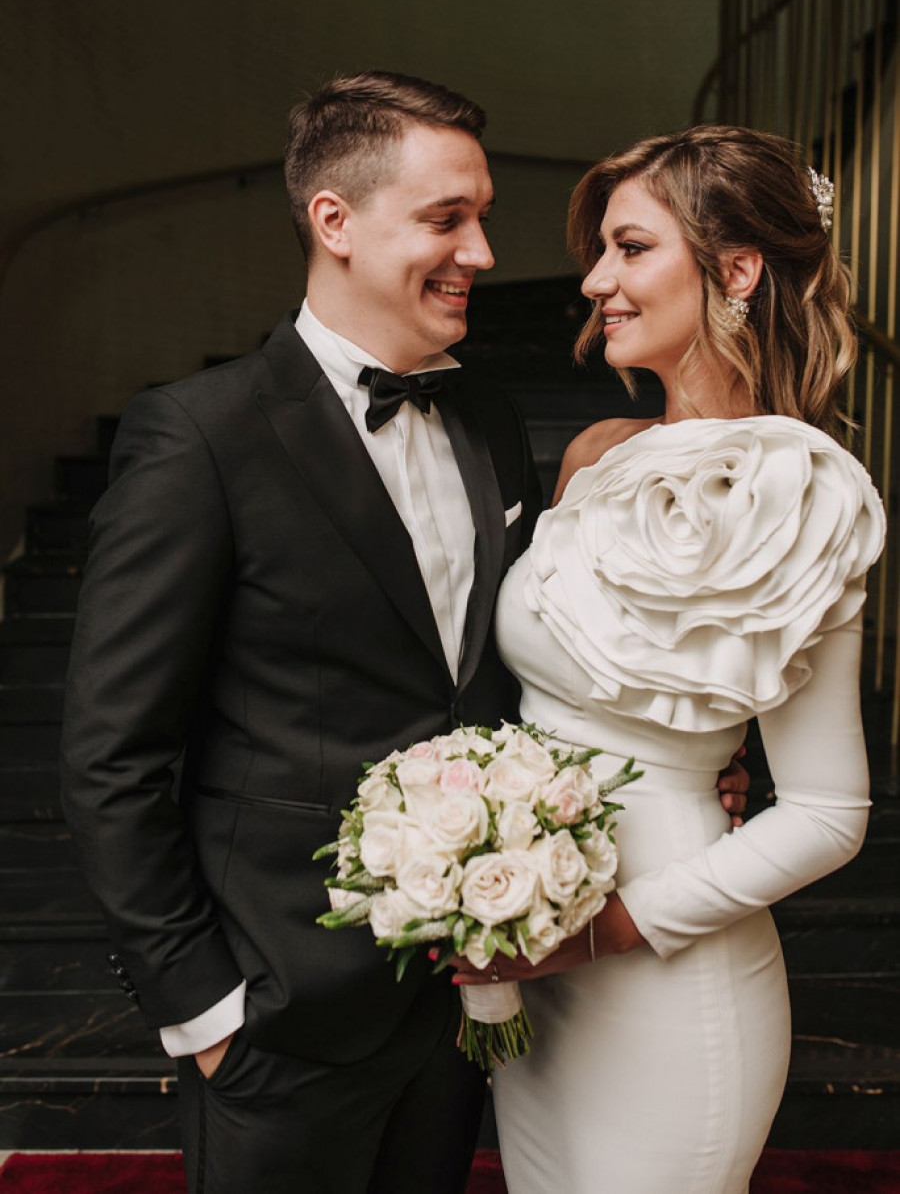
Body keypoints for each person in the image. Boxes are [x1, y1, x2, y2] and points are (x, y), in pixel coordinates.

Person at [58, 73, 748, 1194]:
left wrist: (671, 760)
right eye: (447, 219)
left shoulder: (485, 416)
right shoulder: (201, 437)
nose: (482, 252)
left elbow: (509, 673)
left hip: (463, 1006)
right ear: (334, 220)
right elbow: (110, 759)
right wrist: (207, 1013)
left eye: (482, 217)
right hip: (278, 1021)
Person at [453, 125, 886, 1194]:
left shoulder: (803, 493)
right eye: (601, 250)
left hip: (664, 974)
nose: (595, 280)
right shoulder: (594, 456)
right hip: (536, 959)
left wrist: (604, 929)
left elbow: (829, 813)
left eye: (631, 248)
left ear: (737, 271)